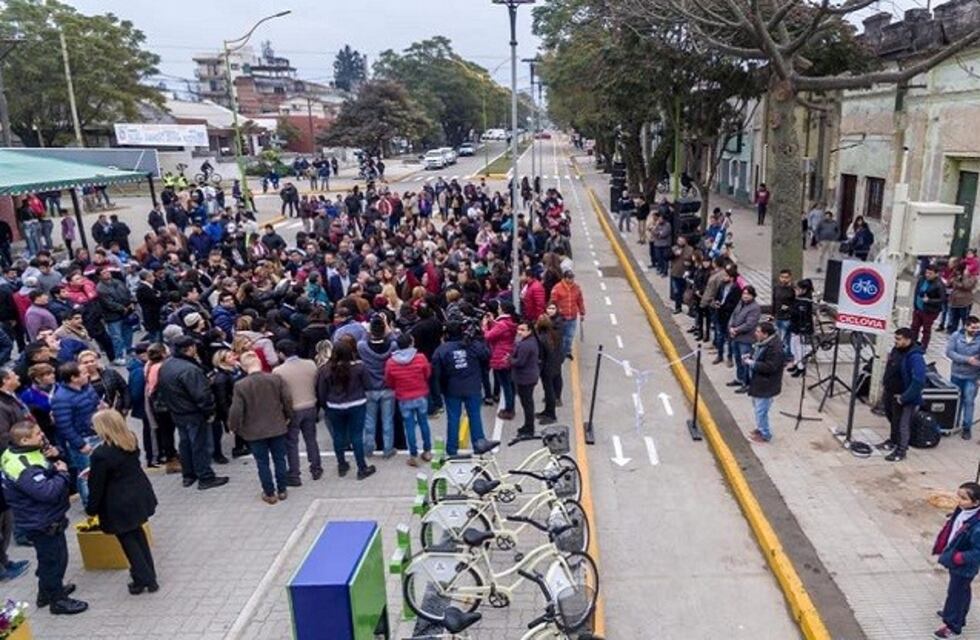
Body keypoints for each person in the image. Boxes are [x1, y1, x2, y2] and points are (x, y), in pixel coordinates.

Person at [1, 421, 87, 614]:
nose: (42, 436)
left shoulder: (17, 452)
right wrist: (63, 473)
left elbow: (45, 466)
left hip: (40, 517)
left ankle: (46, 593)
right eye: (38, 434)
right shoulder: (24, 467)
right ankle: (58, 601)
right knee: (55, 561)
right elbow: (47, 492)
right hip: (41, 520)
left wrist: (56, 455)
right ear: (24, 440)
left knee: (49, 559)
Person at [86, 409, 158, 595]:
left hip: (117, 503)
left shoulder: (101, 454)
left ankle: (144, 578)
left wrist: (91, 509)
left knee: (128, 542)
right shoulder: (130, 439)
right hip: (138, 495)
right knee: (139, 535)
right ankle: (149, 575)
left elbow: (97, 485)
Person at [156, 336, 228, 490]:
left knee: (185, 444)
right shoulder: (190, 369)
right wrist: (209, 411)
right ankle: (205, 477)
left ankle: (189, 475)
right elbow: (202, 395)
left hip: (177, 412)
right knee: (200, 445)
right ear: (190, 348)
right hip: (193, 413)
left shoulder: (167, 365)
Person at [228, 352, 293, 504]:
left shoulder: (240, 385)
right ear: (259, 363)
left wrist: (233, 426)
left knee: (262, 462)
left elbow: (236, 410)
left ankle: (269, 493)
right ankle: (282, 489)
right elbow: (287, 399)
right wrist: (288, 416)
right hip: (276, 425)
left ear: (244, 367)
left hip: (254, 430)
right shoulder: (275, 379)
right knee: (280, 459)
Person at [316, 341, 376, 480]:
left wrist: (326, 406)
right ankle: (362, 468)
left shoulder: (325, 369)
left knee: (338, 435)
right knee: (356, 436)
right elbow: (369, 385)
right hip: (356, 404)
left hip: (335, 406)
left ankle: (342, 464)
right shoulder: (359, 367)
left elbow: (321, 392)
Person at [433, 321, 490, 456]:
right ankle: (479, 444)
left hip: (452, 388)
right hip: (472, 386)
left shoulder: (442, 350)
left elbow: (436, 374)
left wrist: (438, 393)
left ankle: (452, 449)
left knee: (453, 419)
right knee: (475, 416)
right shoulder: (472, 345)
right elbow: (487, 355)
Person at [932, 481, 980, 639]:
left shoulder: (977, 526)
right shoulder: (963, 510)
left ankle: (953, 626)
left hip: (963, 564)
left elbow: (977, 551)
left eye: (964, 498)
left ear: (976, 502)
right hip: (956, 557)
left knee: (956, 594)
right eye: (958, 496)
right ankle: (955, 615)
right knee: (962, 591)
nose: (959, 501)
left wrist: (960, 558)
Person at [50, 362, 100, 505]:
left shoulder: (87, 387)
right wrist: (80, 444)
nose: (88, 374)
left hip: (97, 434)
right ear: (73, 378)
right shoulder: (61, 398)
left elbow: (96, 404)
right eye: (83, 372)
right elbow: (64, 425)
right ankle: (89, 504)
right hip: (83, 440)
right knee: (86, 474)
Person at [273, 340, 322, 484]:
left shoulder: (278, 371)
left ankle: (294, 474)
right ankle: (316, 468)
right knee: (311, 439)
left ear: (281, 353)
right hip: (310, 405)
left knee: (292, 442)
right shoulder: (310, 364)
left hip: (293, 409)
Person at [384, 333, 432, 467]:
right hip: (420, 394)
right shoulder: (421, 358)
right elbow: (427, 373)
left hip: (403, 397)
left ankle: (413, 455)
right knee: (424, 423)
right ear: (411, 343)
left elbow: (389, 381)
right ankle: (427, 451)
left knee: (409, 426)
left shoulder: (391, 362)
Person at [878, 327, 926, 462]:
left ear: (908, 340)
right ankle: (893, 441)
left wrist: (904, 398)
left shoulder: (915, 357)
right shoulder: (896, 349)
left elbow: (919, 381)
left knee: (902, 424)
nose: (896, 341)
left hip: (904, 397)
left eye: (899, 339)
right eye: (895, 338)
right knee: (893, 419)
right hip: (891, 392)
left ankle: (901, 450)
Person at [357, 316, 397, 458]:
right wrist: (387, 327)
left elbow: (362, 339)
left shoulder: (362, 347)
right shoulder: (392, 347)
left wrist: (367, 330)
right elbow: (395, 338)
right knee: (387, 421)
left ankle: (368, 449)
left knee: (369, 421)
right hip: (387, 388)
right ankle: (388, 449)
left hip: (369, 389)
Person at [744, 322, 784, 443]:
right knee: (757, 408)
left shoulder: (775, 349)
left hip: (766, 384)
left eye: (758, 331)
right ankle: (760, 428)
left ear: (765, 334)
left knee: (761, 411)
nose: (755, 333)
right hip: (758, 383)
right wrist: (750, 356)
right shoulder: (763, 343)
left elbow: (770, 367)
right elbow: (757, 354)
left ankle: (765, 434)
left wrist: (753, 363)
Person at [946, 316, 980, 440]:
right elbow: (950, 352)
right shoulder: (956, 336)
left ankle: (966, 428)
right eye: (973, 327)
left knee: (969, 401)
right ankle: (953, 423)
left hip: (972, 376)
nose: (976, 330)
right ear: (966, 326)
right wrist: (967, 359)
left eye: (978, 328)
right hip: (956, 374)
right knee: (956, 401)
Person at [484, 301, 517, 420]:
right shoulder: (509, 322)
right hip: (508, 352)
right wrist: (493, 321)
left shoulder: (502, 324)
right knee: (510, 383)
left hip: (500, 355)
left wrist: (484, 326)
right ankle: (511, 406)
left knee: (506, 385)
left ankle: (509, 409)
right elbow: (500, 329)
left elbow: (488, 336)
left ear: (503, 310)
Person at [727, 286, 761, 393]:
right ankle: (740, 378)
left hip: (746, 339)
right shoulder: (741, 303)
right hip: (736, 337)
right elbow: (733, 315)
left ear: (753, 295)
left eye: (748, 294)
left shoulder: (755, 308)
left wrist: (736, 330)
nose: (745, 296)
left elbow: (749, 324)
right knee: (737, 359)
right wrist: (730, 327)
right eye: (744, 293)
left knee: (745, 361)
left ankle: (747, 383)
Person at [512, 321, 540, 438]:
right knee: (527, 403)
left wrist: (509, 360)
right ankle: (528, 425)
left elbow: (520, 362)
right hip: (529, 376)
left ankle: (529, 428)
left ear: (529, 331)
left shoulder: (525, 345)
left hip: (526, 378)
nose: (519, 332)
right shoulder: (529, 341)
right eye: (518, 329)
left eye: (523, 330)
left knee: (527, 403)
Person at [549, 270, 585, 359]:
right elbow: (553, 301)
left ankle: (566, 351)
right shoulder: (557, 288)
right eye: (569, 278)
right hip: (562, 318)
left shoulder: (577, 288)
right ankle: (562, 352)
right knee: (562, 337)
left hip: (572, 317)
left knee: (569, 337)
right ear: (565, 278)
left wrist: (582, 312)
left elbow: (580, 301)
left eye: (572, 278)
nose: (571, 280)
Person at [911, 263, 946, 351]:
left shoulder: (939, 284)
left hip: (929, 311)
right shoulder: (922, 279)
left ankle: (923, 347)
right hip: (918, 308)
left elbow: (942, 299)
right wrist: (915, 305)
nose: (927, 275)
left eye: (930, 273)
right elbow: (916, 292)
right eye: (927, 272)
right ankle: (912, 344)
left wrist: (929, 301)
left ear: (936, 274)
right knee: (914, 327)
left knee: (926, 329)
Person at [535, 315, 562, 425]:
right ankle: (547, 411)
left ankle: (551, 415)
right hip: (555, 365)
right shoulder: (554, 334)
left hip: (547, 368)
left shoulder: (541, 338)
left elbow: (541, 356)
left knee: (549, 391)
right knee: (550, 391)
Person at [786, 279, 815, 377]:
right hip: (795, 327)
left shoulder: (805, 301)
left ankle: (801, 368)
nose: (795, 291)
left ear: (804, 290)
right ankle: (796, 363)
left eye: (797, 289)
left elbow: (799, 314)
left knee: (799, 349)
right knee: (793, 347)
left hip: (801, 329)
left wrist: (789, 310)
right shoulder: (799, 298)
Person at [772, 269, 795, 359]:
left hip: (787, 318)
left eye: (786, 277)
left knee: (785, 340)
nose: (784, 279)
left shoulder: (792, 289)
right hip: (778, 317)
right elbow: (774, 301)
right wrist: (772, 314)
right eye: (782, 277)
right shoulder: (776, 288)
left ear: (790, 278)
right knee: (778, 339)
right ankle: (780, 356)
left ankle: (786, 357)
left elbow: (795, 304)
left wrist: (788, 308)